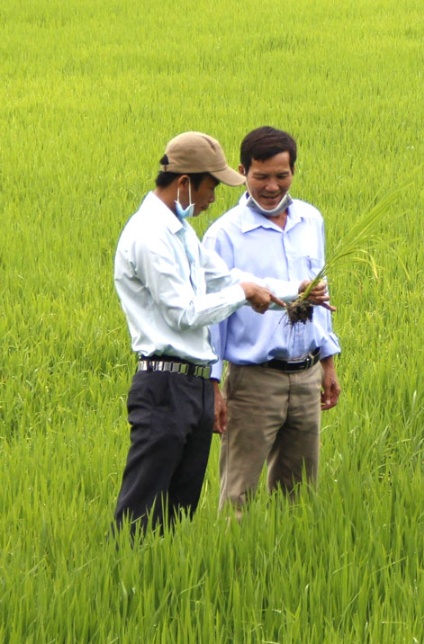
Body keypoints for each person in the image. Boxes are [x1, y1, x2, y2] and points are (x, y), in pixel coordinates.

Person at [112, 131, 328, 536]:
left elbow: (225, 277)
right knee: (142, 511)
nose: (213, 198)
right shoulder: (148, 236)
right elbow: (184, 312)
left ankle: (166, 580)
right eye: (211, 187)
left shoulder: (180, 232)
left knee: (177, 513)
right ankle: (124, 581)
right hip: (163, 384)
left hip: (189, 384)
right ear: (184, 184)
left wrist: (291, 290)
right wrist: (241, 295)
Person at [203, 126, 341, 517]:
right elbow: (214, 319)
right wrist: (213, 387)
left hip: (306, 375)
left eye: (282, 175)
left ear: (294, 171)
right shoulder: (224, 236)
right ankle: (235, 568)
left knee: (298, 496)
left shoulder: (310, 220)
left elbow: (320, 295)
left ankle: (289, 565)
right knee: (238, 497)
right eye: (261, 176)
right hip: (253, 382)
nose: (271, 186)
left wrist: (328, 362)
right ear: (243, 172)